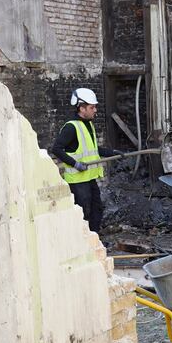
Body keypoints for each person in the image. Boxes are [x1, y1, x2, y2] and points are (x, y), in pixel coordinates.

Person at [51, 87, 121, 234]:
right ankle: (83, 243)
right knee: (84, 214)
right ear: (82, 109)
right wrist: (75, 164)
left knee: (97, 209)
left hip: (89, 177)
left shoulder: (88, 124)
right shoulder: (71, 127)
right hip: (77, 181)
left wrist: (112, 153)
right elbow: (56, 149)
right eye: (92, 107)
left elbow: (94, 149)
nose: (95, 110)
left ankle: (94, 241)